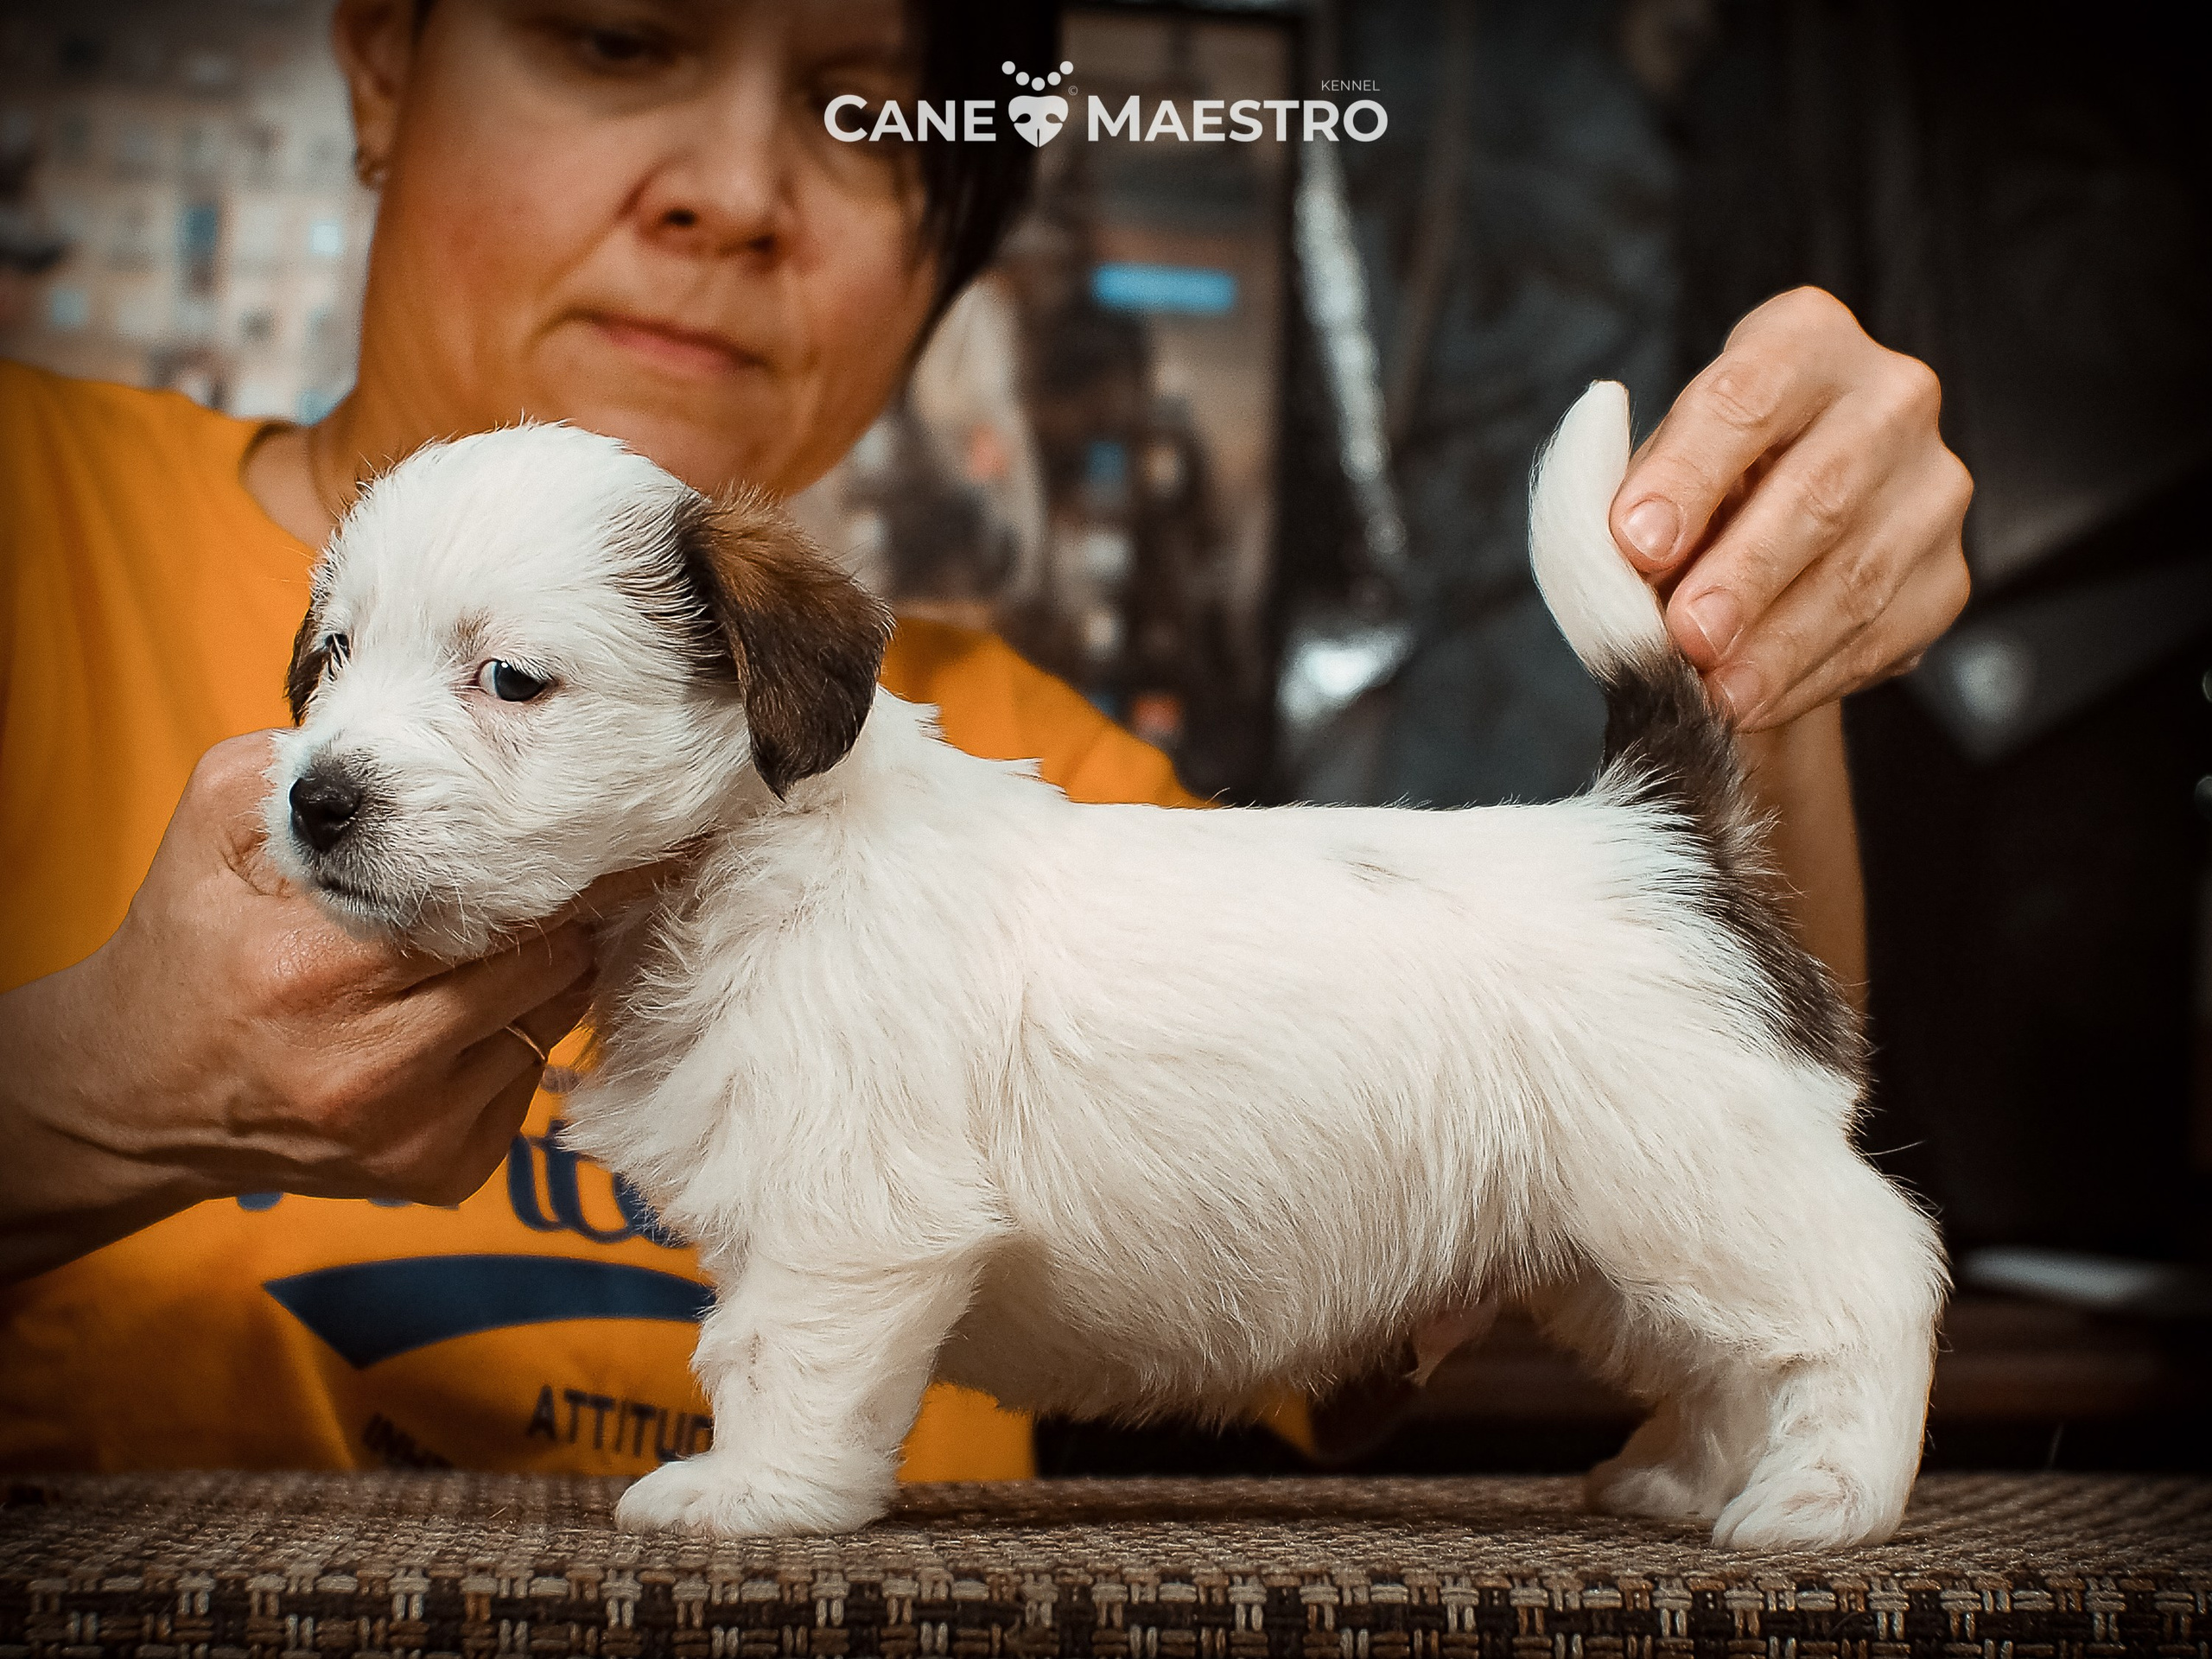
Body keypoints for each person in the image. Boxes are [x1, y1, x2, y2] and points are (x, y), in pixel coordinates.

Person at [0, 0, 1969, 1477]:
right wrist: (81, 1099)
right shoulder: (34, 512)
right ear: (378, 60)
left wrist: (1746, 649)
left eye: (864, 112)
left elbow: (1421, 1256)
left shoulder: (1029, 776)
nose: (729, 195)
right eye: (616, 36)